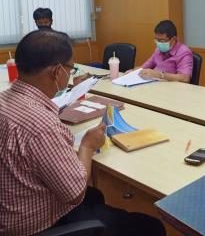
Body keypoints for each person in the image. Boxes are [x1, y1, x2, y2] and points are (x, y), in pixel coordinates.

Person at [0, 30, 166, 236]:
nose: (70, 74)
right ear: (56, 71)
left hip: (10, 211)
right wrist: (87, 146)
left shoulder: (5, 100)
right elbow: (75, 193)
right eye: (71, 68)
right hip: (35, 225)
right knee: (152, 227)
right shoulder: (41, 125)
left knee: (95, 196)